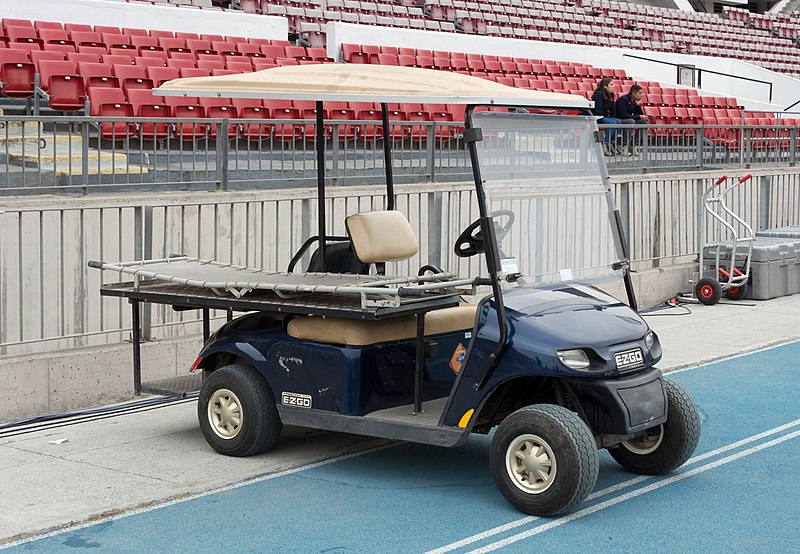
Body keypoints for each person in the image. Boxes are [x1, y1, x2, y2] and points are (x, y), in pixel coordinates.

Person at [616, 84, 650, 156]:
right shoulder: (623, 100)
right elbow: (623, 115)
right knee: (631, 122)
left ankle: (633, 145)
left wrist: (638, 106)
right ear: (633, 93)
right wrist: (639, 116)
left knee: (643, 123)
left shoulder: (634, 101)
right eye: (640, 93)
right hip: (619, 119)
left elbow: (640, 115)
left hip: (628, 119)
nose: (641, 95)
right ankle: (624, 146)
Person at [592, 77, 622, 156]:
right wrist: (605, 117)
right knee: (612, 123)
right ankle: (605, 143)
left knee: (618, 121)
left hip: (606, 116)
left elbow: (613, 109)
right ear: (605, 86)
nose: (613, 86)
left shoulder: (611, 95)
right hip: (598, 117)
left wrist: (614, 117)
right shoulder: (599, 94)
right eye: (611, 84)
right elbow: (598, 109)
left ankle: (612, 142)